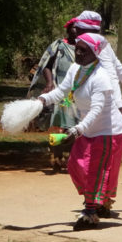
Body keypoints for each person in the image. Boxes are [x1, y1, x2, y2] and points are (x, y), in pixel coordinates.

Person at [38, 33, 122, 230]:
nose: (77, 52)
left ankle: (90, 213)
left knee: (94, 170)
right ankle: (96, 202)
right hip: (87, 130)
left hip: (106, 131)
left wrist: (77, 130)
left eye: (83, 50)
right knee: (75, 165)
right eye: (77, 48)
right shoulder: (76, 69)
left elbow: (96, 110)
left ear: (94, 53)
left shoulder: (101, 76)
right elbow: (61, 92)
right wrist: (42, 100)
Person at [70, 10, 122, 123]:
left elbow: (113, 75)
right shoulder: (102, 45)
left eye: (78, 29)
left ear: (85, 30)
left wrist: (120, 106)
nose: (75, 32)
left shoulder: (99, 48)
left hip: (100, 108)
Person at [27, 19, 79, 172]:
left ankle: (71, 159)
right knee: (59, 124)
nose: (76, 31)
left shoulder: (84, 46)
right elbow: (46, 66)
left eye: (79, 28)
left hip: (79, 91)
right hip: (61, 89)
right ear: (68, 30)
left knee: (76, 125)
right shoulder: (59, 46)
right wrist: (50, 83)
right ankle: (56, 157)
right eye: (74, 28)